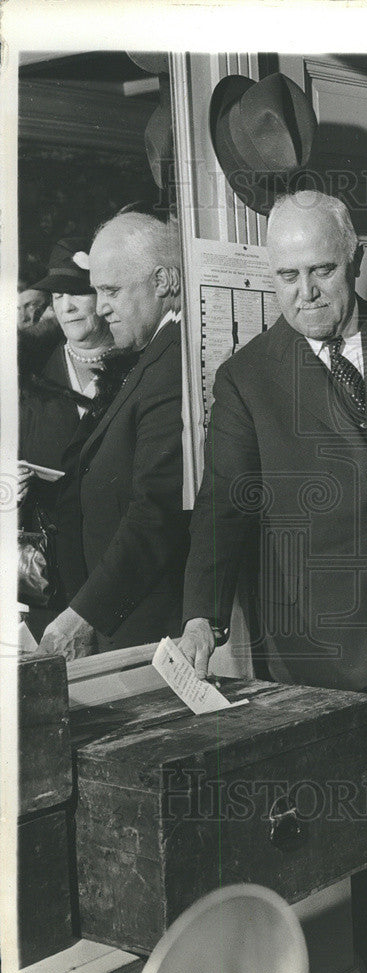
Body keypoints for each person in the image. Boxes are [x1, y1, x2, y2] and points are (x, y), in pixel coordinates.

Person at [178, 192, 367, 973]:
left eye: (320, 271)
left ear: (352, 262)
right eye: (287, 276)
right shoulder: (246, 378)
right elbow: (224, 509)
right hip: (317, 648)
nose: (305, 292)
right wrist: (202, 618)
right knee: (332, 842)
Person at [36, 212, 188, 659]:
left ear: (162, 281)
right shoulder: (151, 356)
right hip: (125, 622)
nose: (100, 307)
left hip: (143, 628)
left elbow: (156, 512)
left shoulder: (169, 363)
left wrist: (84, 615)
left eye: (111, 291)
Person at [18, 238, 118, 637]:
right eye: (58, 296)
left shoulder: (139, 368)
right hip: (53, 578)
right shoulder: (29, 377)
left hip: (119, 574)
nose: (67, 307)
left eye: (79, 293)